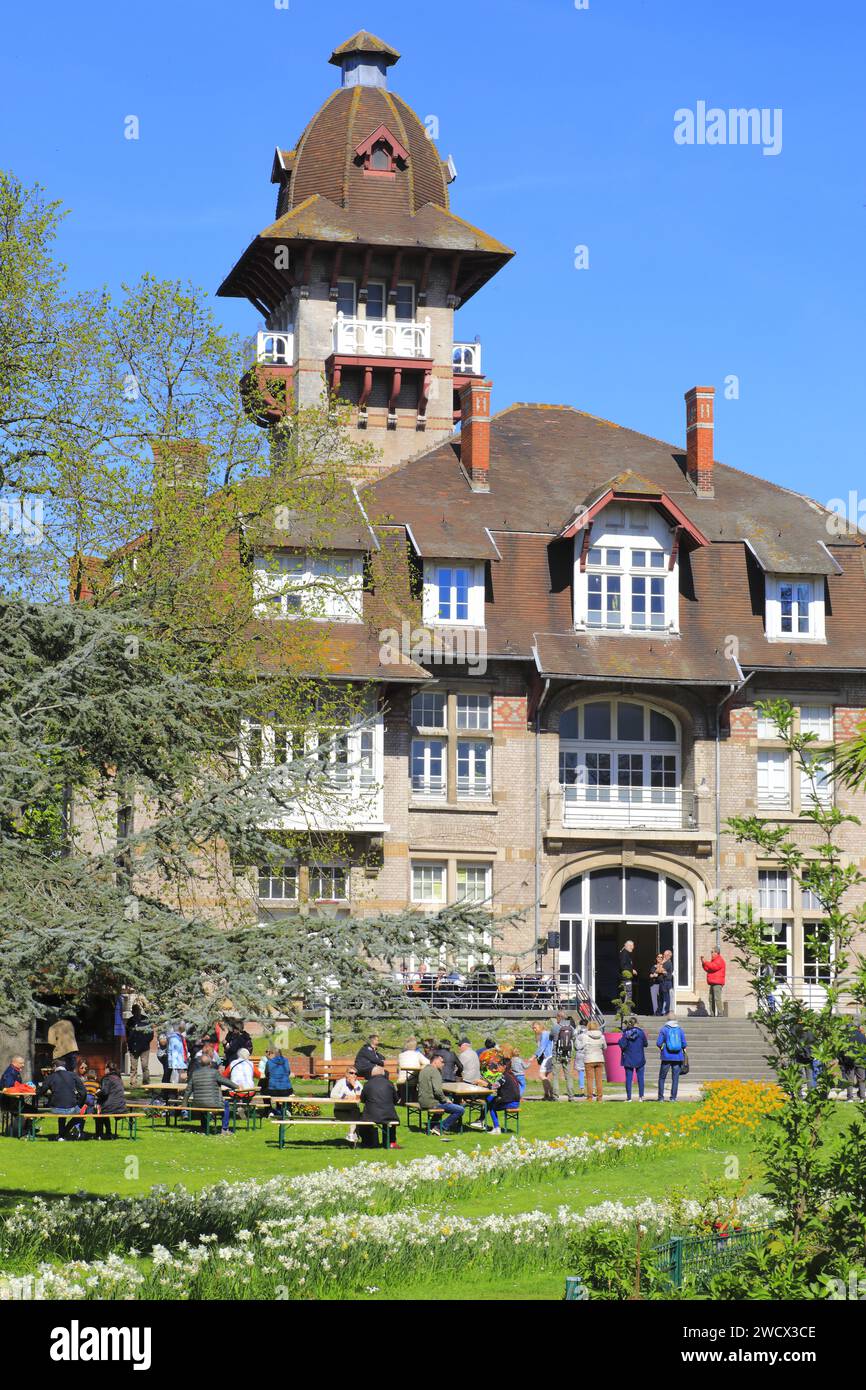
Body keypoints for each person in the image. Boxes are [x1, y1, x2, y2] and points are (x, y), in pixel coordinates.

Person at [182, 1044, 234, 1132]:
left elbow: (188, 1090)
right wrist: (237, 1086)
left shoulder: (194, 1071)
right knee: (226, 1104)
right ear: (210, 1063)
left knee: (203, 1103)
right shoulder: (214, 1071)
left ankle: (204, 1127)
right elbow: (226, 1081)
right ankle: (224, 1128)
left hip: (197, 1103)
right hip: (213, 1103)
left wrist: (184, 1105)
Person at [417, 1053, 464, 1139]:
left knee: (445, 1102)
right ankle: (440, 1127)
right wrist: (445, 1099)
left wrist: (444, 1099)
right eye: (442, 1062)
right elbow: (438, 1091)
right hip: (431, 1102)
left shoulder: (424, 1070)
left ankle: (431, 1126)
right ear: (435, 1062)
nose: (443, 1064)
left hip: (422, 1100)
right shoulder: (435, 1072)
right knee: (460, 1109)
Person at [36, 1062, 87, 1140]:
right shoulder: (73, 1075)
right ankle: (64, 1133)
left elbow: (41, 1092)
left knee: (61, 1110)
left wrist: (39, 1087)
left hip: (56, 1108)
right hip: (72, 1107)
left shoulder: (51, 1077)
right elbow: (83, 1092)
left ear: (55, 1066)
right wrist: (79, 1104)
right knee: (80, 1113)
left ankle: (61, 1135)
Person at [360, 1065, 400, 1148]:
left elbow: (362, 1099)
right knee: (390, 1122)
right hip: (388, 1115)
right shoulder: (390, 1084)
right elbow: (396, 1100)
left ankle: (368, 1142)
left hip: (371, 1115)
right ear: (383, 1073)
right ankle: (390, 1142)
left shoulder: (367, 1084)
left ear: (372, 1074)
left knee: (361, 1118)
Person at [483, 1060, 520, 1134]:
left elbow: (494, 1087)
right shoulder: (512, 1075)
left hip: (510, 1102)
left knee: (491, 1106)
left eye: (499, 1065)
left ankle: (496, 1128)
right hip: (516, 1101)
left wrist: (484, 1083)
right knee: (491, 1099)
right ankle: (482, 1121)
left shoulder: (504, 1076)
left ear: (504, 1067)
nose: (497, 1067)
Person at [617, 1016, 649, 1101]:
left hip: (628, 1058)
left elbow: (622, 1045)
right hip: (640, 1058)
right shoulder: (641, 1033)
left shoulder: (626, 1033)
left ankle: (629, 1098)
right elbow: (646, 1044)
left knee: (628, 1078)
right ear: (636, 1023)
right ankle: (641, 1097)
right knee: (640, 1078)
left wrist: (620, 1040)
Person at [657, 1017, 688, 1101]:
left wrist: (662, 1048)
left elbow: (658, 1043)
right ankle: (673, 1098)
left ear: (667, 1020)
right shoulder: (680, 1029)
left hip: (666, 1057)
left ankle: (661, 1098)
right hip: (677, 1057)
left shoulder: (664, 1029)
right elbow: (684, 1044)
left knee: (662, 1078)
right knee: (675, 1078)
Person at [331, 1064, 363, 1143]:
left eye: (355, 1074)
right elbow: (333, 1095)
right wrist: (344, 1096)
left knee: (357, 1114)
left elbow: (361, 1095)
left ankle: (352, 1135)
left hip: (353, 1110)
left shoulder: (358, 1084)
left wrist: (354, 1086)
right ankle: (353, 1135)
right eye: (351, 1073)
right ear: (346, 1074)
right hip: (340, 1111)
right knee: (356, 1117)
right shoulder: (340, 1083)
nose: (353, 1075)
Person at [94, 1065, 126, 1139]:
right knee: (104, 1110)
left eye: (105, 1068)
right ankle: (108, 1132)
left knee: (99, 1111)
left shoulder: (107, 1078)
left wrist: (97, 1093)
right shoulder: (118, 1078)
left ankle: (99, 1134)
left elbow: (105, 1092)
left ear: (108, 1069)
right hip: (121, 1106)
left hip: (112, 1107)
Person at [126, 1004, 154, 1084]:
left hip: (144, 1048)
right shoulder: (130, 1021)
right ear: (132, 1012)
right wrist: (129, 1042)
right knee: (133, 1067)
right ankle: (133, 1082)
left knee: (145, 1066)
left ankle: (146, 1082)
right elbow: (127, 1033)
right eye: (134, 1011)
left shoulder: (145, 1020)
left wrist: (146, 1041)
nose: (136, 1012)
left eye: (137, 1010)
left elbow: (150, 1033)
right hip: (133, 1048)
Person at [839, 1021, 866, 1102]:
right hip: (860, 1060)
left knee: (849, 1080)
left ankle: (850, 1097)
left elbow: (842, 1050)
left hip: (849, 1060)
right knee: (861, 1080)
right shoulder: (862, 1036)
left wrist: (842, 1060)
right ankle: (862, 1097)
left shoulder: (846, 1036)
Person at [396, 1037, 427, 1101]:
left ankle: (404, 1100)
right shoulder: (417, 1054)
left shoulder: (401, 1055)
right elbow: (428, 1063)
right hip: (412, 1079)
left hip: (401, 1080)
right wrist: (420, 1067)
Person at [583, 1022, 608, 1102]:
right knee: (599, 1079)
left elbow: (582, 1046)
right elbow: (605, 1047)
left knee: (590, 1079)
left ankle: (590, 1097)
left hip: (589, 1059)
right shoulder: (602, 1036)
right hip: (599, 1059)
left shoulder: (585, 1036)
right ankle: (599, 1097)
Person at [532, 1021, 555, 1100]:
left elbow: (542, 1047)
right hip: (548, 1057)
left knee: (541, 1075)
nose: (534, 1029)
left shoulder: (545, 1034)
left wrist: (534, 1056)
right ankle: (547, 1095)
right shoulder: (543, 1034)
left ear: (540, 1027)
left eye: (535, 1027)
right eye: (533, 1028)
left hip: (548, 1057)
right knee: (545, 1076)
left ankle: (552, 1093)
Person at [701, 948, 726, 1017]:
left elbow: (713, 967)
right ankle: (712, 1013)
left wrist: (705, 962)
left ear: (716, 953)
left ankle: (720, 1013)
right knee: (711, 998)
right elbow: (708, 969)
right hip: (712, 982)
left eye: (712, 952)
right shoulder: (714, 960)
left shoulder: (719, 960)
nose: (711, 954)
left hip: (717, 982)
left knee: (717, 998)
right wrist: (703, 963)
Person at [572, 1022, 587, 1097]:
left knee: (581, 1073)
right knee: (590, 1073)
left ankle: (582, 1091)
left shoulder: (578, 1037)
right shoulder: (589, 1036)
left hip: (579, 1054)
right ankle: (593, 1090)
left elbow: (576, 1047)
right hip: (588, 1055)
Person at [658, 950, 674, 1015]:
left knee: (666, 997)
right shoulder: (665, 963)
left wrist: (661, 964)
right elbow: (658, 970)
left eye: (665, 955)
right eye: (664, 955)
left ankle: (666, 1011)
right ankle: (662, 1011)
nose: (664, 956)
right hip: (663, 982)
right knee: (662, 997)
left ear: (669, 956)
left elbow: (659, 970)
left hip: (666, 982)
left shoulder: (668, 963)